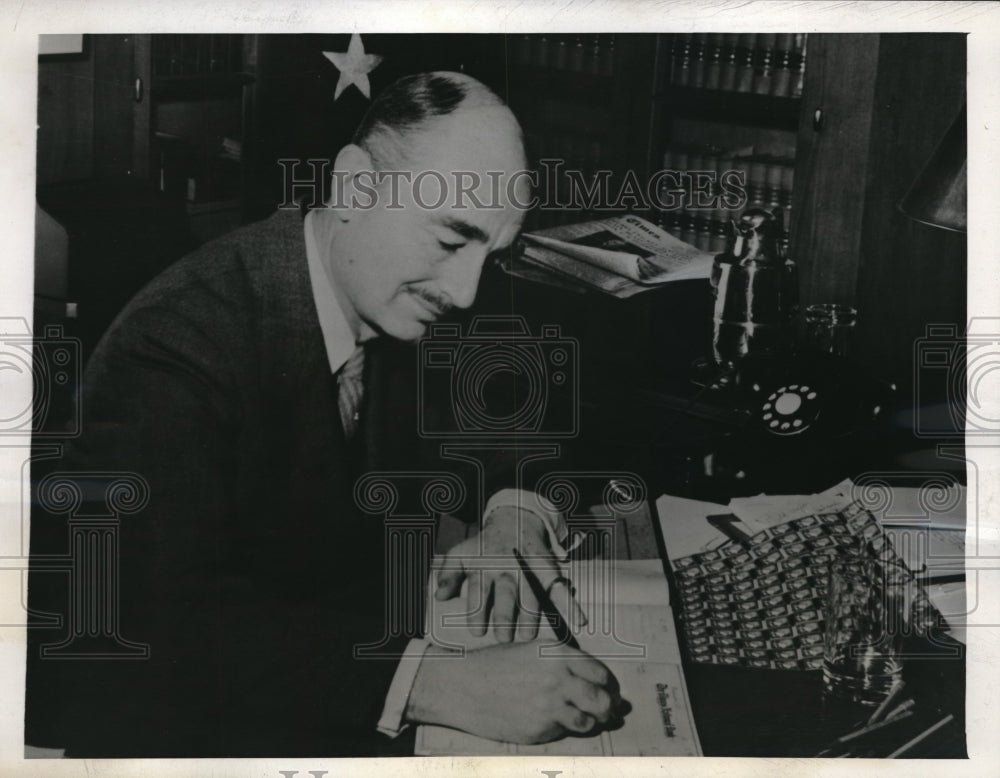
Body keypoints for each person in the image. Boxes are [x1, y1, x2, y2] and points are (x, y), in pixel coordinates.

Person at [26, 71, 620, 757]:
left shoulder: (387, 290)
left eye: (492, 253)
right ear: (356, 187)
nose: (465, 291)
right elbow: (162, 627)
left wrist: (512, 519)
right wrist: (434, 683)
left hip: (324, 665)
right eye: (452, 240)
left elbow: (510, 422)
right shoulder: (175, 346)